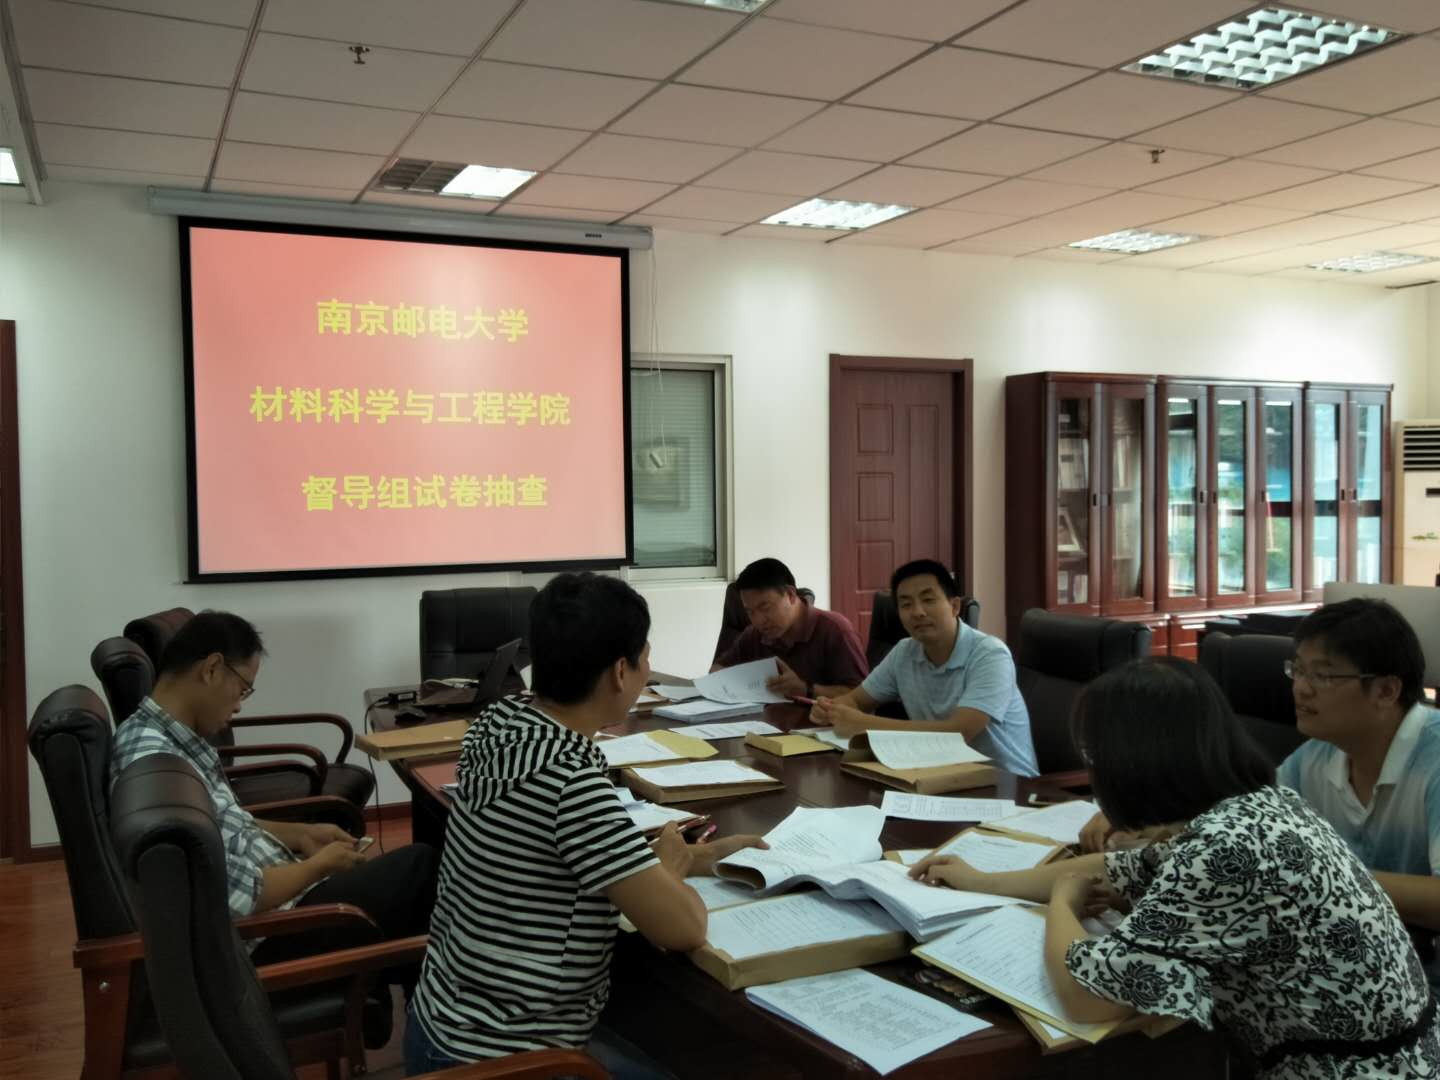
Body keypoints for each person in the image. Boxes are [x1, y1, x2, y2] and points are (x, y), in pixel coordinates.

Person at [912, 659, 1440, 1078]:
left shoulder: (1227, 849)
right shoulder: (1255, 806)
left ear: (1135, 759)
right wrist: (979, 881)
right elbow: (1114, 868)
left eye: (1095, 753)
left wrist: (1064, 905)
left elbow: (1089, 998)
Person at [407, 572, 766, 1077]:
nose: (647, 670)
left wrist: (691, 857)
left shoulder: (499, 724)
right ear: (620, 671)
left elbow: (556, 853)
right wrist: (669, 867)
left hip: (441, 1025)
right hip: (507, 1058)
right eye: (645, 658)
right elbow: (684, 929)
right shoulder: (569, 782)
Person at [108, 611, 437, 1035]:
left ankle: (406, 1000)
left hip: (273, 906)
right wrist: (319, 866)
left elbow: (229, 821)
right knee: (421, 867)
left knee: (407, 884)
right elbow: (242, 897)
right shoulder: (158, 763)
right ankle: (425, 1019)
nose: (240, 703)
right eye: (243, 687)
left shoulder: (165, 737)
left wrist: (302, 834)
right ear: (211, 669)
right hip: (261, 940)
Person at [810, 559, 1038, 778]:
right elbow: (856, 700)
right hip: (940, 773)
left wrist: (864, 724)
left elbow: (960, 733)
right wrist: (831, 709)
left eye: (928, 600)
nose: (918, 612)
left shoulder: (990, 654)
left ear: (954, 606)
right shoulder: (904, 651)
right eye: (906, 604)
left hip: (1008, 784)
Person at [712, 557, 868, 699]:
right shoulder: (754, 634)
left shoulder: (835, 631)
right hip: (765, 718)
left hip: (817, 720)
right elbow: (718, 669)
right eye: (750, 612)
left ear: (791, 595)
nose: (758, 621)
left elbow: (862, 697)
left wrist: (805, 690)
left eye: (765, 607)